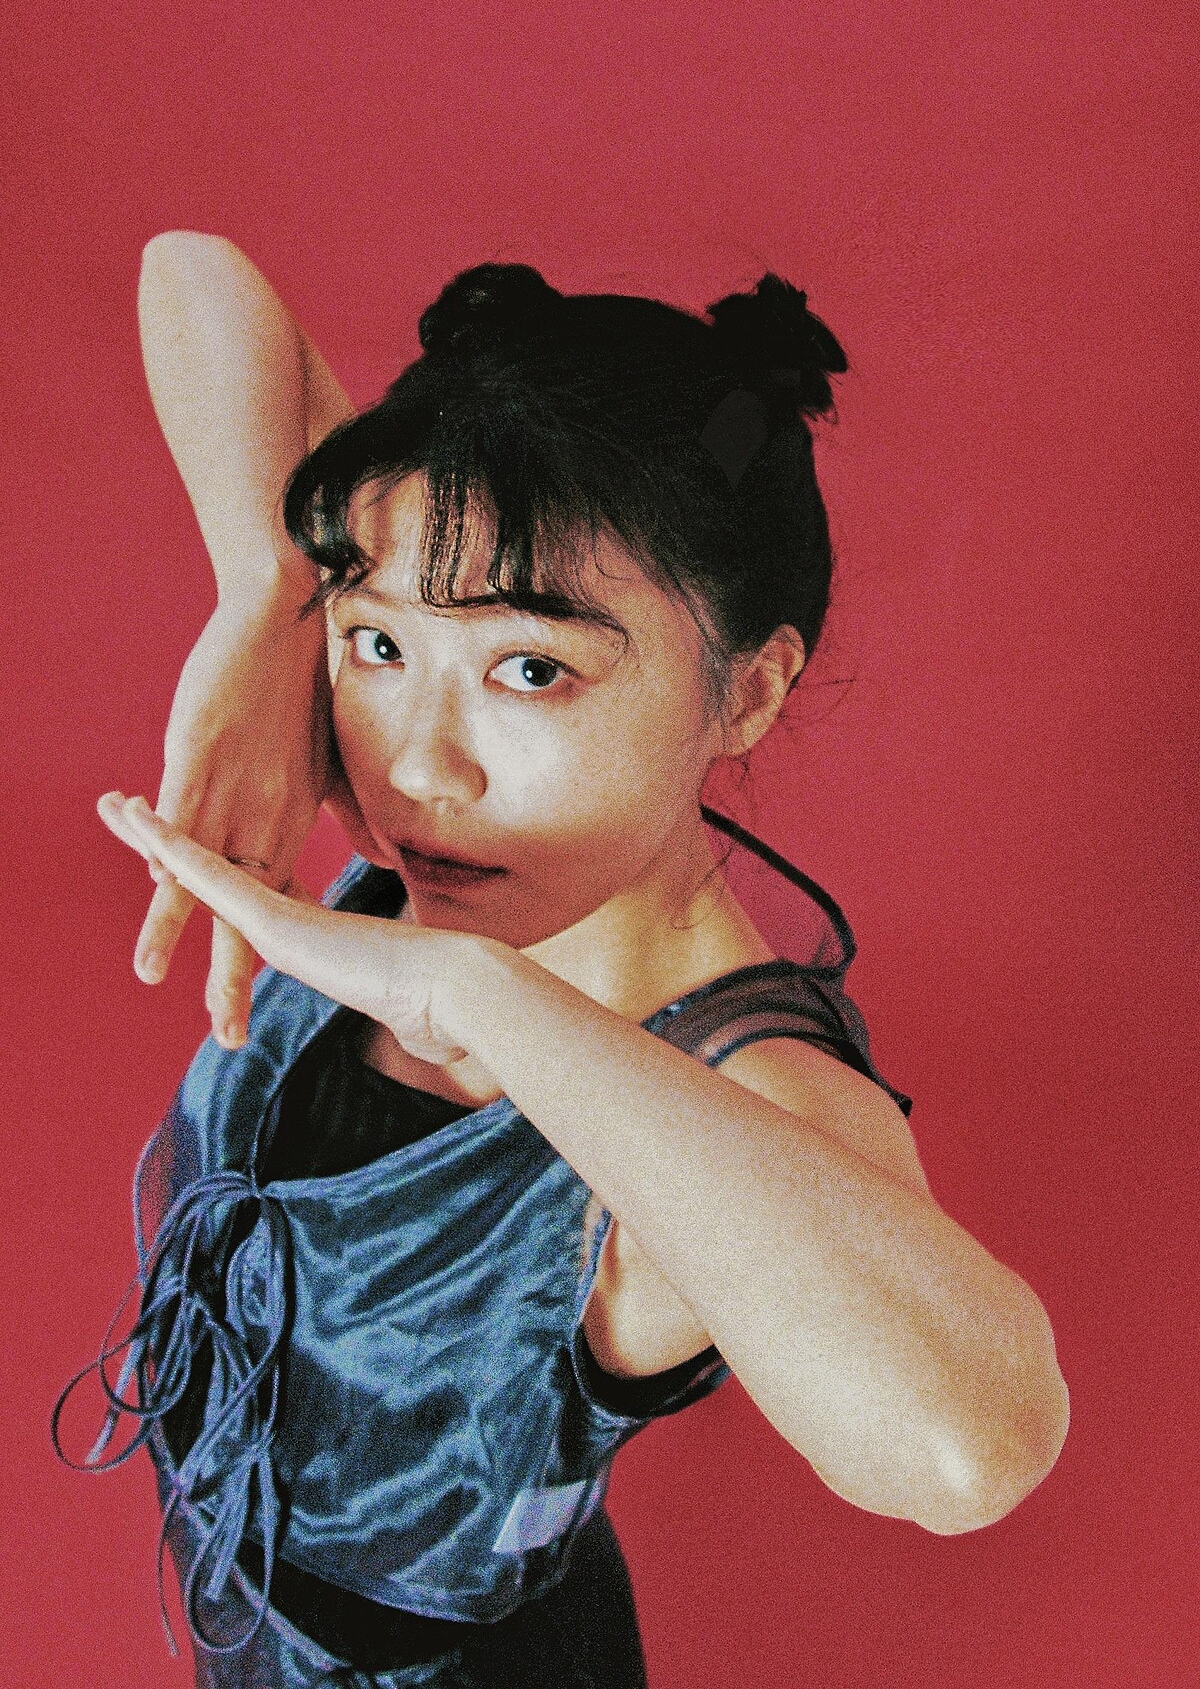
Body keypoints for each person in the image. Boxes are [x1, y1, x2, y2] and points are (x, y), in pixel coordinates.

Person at [54, 235, 1070, 1689]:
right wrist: (268, 594)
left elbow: (973, 1450)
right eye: (379, 645)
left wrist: (469, 992)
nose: (420, 765)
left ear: (750, 690)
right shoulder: (453, 826)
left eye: (531, 669)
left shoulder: (749, 1078)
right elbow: (192, 274)